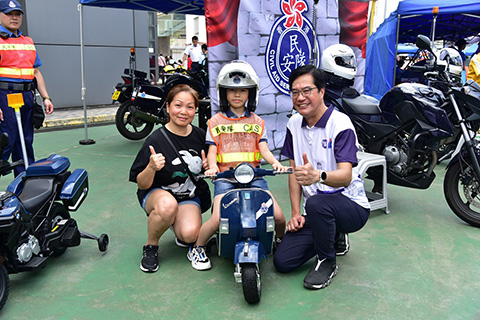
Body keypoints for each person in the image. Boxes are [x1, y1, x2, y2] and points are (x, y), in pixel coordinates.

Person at [273, 65, 370, 290]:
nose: (300, 97)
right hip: (315, 211)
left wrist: (318, 176)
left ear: (322, 91)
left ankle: (327, 261)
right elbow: (294, 173)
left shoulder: (341, 124)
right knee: (283, 261)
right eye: (295, 92)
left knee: (318, 203)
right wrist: (296, 213)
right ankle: (332, 234)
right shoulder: (293, 124)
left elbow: (345, 177)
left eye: (307, 90)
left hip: (351, 206)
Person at [187, 60, 288, 271]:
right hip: (225, 179)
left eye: (242, 90)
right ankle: (198, 247)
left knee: (278, 216)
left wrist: (276, 163)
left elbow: (265, 150)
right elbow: (212, 150)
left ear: (251, 93)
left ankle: (280, 241)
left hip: (256, 177)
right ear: (223, 93)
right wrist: (212, 168)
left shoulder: (258, 122)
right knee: (216, 219)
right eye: (231, 90)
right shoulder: (215, 122)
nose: (237, 95)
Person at [129, 84, 208, 273]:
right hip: (158, 196)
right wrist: (151, 167)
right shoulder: (155, 139)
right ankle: (151, 246)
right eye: (178, 105)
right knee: (167, 206)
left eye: (190, 107)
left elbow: (213, 168)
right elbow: (141, 183)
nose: (184, 112)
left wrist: (209, 167)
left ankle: (174, 221)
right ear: (168, 107)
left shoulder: (201, 136)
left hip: (188, 196)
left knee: (189, 236)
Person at [0, 0, 54, 175]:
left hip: (26, 95)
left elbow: (35, 72)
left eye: (17, 14)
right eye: (9, 14)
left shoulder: (28, 41)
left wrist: (46, 97)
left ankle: (24, 182)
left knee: (25, 141)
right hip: (4, 95)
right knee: (6, 140)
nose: (14, 18)